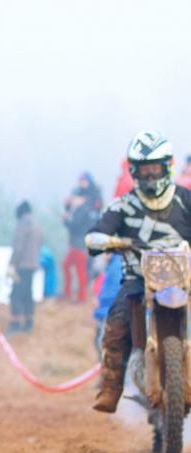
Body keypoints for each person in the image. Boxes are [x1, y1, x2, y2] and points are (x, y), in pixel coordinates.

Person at [86, 130, 191, 413]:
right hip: (138, 281)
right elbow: (93, 236)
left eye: (155, 168)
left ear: (166, 166)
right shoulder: (123, 206)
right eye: (144, 169)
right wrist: (109, 241)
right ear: (133, 170)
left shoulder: (184, 199)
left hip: (184, 279)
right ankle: (110, 387)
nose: (150, 176)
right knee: (115, 326)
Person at [62, 172, 102, 301]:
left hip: (83, 241)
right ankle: (81, 292)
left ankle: (82, 293)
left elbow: (75, 223)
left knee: (81, 268)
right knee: (81, 267)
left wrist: (66, 220)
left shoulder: (91, 199)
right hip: (81, 240)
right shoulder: (80, 204)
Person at [7, 201, 42, 333]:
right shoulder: (36, 223)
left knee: (16, 293)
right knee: (28, 293)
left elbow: (18, 247)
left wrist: (12, 264)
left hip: (21, 264)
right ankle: (29, 322)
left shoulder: (22, 224)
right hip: (32, 264)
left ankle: (15, 322)